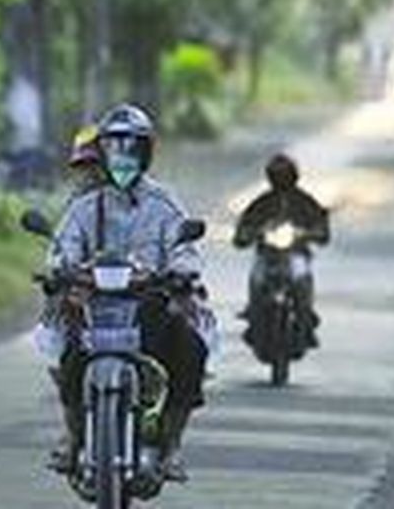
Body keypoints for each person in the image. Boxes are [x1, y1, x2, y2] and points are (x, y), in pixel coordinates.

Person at [45, 102, 214, 481]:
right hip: (94, 306)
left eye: (132, 148)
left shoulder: (165, 203)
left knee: (191, 350)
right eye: (114, 148)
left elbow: (183, 245)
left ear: (147, 152)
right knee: (70, 357)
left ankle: (171, 445)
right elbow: (62, 248)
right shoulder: (84, 207)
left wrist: (181, 270)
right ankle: (73, 439)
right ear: (102, 152)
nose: (122, 157)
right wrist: (61, 270)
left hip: (149, 305)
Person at [232, 153, 330, 347]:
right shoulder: (261, 203)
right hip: (266, 256)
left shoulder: (305, 201)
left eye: (285, 175)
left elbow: (321, 225)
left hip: (296, 255)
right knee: (256, 280)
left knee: (302, 280)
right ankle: (254, 317)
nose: (281, 179)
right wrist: (248, 234)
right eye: (277, 175)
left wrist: (312, 232)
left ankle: (305, 319)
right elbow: (244, 227)